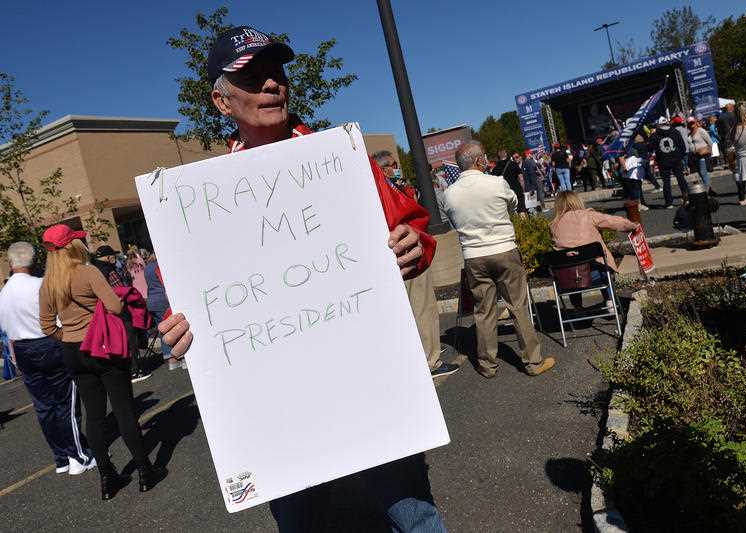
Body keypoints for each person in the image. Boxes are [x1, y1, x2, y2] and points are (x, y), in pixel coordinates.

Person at [157, 26, 446, 532]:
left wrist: (411, 244)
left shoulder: (343, 161)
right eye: (253, 76)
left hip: (368, 382)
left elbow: (415, 229)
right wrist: (178, 332)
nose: (272, 84)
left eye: (277, 72)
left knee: (412, 513)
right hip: (274, 408)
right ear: (222, 101)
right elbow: (185, 300)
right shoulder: (195, 204)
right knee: (299, 521)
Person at [39, 225, 164, 500]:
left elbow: (47, 325)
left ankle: (107, 478)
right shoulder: (87, 272)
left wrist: (68, 336)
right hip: (101, 346)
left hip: (73, 350)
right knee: (123, 410)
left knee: (95, 417)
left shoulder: (48, 283)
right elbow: (115, 307)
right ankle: (145, 470)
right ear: (73, 246)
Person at [443, 141, 556, 379]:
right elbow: (513, 204)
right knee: (518, 306)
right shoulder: (496, 183)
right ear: (478, 161)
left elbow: (453, 220)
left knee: (483, 312)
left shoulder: (449, 194)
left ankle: (487, 365)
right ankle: (532, 362)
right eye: (483, 157)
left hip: (473, 256)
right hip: (504, 249)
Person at [0, 242, 95, 475]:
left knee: (44, 406)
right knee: (67, 401)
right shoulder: (41, 284)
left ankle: (61, 456)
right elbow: (59, 318)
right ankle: (79, 455)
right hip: (49, 343)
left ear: (11, 263)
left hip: (22, 349)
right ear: (33, 261)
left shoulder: (4, 293)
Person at [373, 150, 459, 378]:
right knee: (422, 306)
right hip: (405, 255)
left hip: (402, 255)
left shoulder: (390, 188)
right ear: (383, 169)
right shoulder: (385, 191)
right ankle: (431, 360)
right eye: (392, 164)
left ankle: (426, 352)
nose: (396, 167)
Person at [549, 192, 638, 309]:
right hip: (595, 276)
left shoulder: (553, 225)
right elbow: (613, 221)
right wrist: (631, 225)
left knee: (570, 263)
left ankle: (577, 306)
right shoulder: (587, 215)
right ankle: (610, 300)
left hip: (567, 280)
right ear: (577, 201)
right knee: (601, 264)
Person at [649, 116, 688, 208]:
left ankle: (669, 203)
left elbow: (650, 148)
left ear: (658, 124)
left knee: (666, 182)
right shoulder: (675, 132)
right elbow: (683, 147)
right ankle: (687, 199)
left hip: (663, 161)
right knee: (681, 179)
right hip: (676, 160)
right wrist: (679, 156)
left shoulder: (655, 135)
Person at [493, 148, 527, 216]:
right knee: (521, 211)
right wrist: (523, 189)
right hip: (517, 190)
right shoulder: (513, 164)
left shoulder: (495, 169)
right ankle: (524, 225)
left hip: (504, 193)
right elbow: (521, 178)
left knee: (509, 214)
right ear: (506, 154)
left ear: (499, 156)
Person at [687, 117, 714, 192]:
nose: (691, 124)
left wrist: (708, 151)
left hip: (703, 155)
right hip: (694, 157)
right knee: (700, 174)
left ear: (695, 122)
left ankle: (707, 192)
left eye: (692, 122)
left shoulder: (701, 131)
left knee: (703, 173)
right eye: (689, 123)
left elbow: (710, 142)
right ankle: (709, 189)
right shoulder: (689, 133)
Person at [522, 149, 546, 213]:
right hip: (536, 179)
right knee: (540, 193)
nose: (532, 155)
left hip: (533, 180)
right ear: (528, 154)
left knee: (538, 194)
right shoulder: (530, 161)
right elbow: (536, 169)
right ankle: (542, 208)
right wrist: (541, 175)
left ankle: (539, 208)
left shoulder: (526, 162)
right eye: (530, 153)